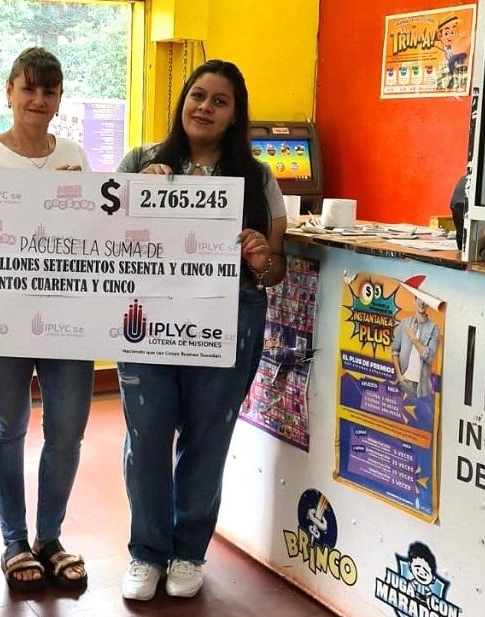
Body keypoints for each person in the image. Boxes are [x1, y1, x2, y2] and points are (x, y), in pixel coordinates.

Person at [115, 59, 287, 601]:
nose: (205, 107)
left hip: (230, 314)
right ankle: (146, 552)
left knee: (208, 438)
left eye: (220, 100)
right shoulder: (142, 160)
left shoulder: (258, 178)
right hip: (147, 314)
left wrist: (262, 256)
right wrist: (136, 194)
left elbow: (276, 268)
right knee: (145, 438)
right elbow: (100, 234)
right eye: (198, 95)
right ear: (182, 101)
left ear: (235, 115)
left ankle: (188, 551)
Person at [0, 47, 93, 591]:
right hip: (2, 319)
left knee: (68, 432)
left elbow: (94, 239)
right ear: (9, 91)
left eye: (50, 91)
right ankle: (14, 541)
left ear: (59, 98)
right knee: (6, 426)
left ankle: (50, 537)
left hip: (68, 315)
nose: (39, 100)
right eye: (29, 88)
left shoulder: (77, 155)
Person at [391, 296, 439, 399]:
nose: (422, 303)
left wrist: (413, 339)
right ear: (415, 300)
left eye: (425, 300)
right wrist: (399, 376)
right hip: (405, 382)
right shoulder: (404, 323)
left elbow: (430, 358)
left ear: (429, 304)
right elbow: (395, 350)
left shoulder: (434, 328)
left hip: (422, 388)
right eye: (420, 298)